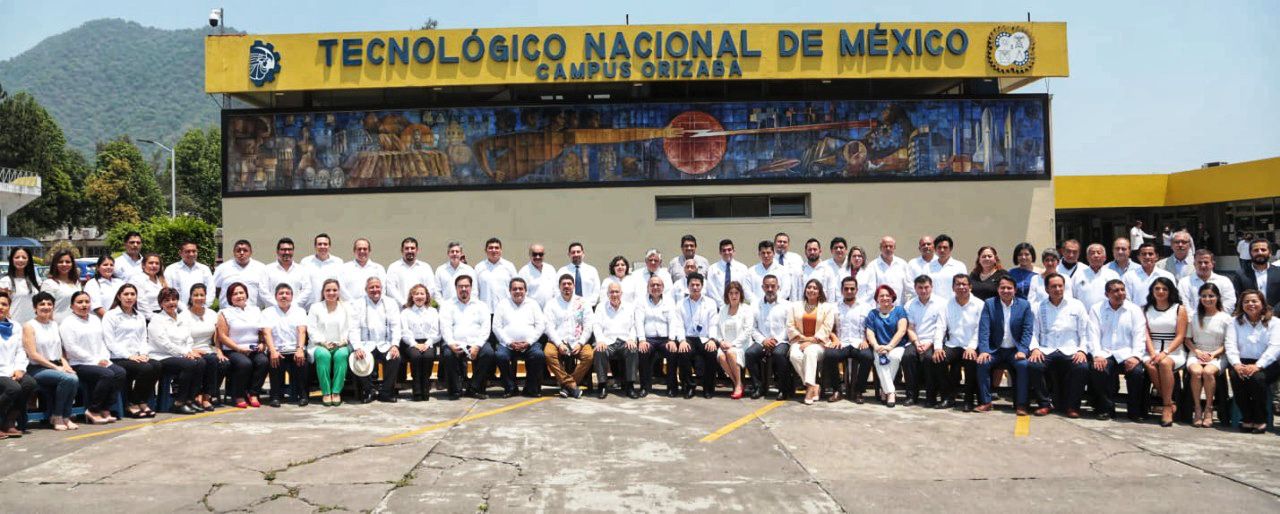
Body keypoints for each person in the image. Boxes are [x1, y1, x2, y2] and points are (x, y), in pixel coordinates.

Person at [1028, 273, 1090, 418]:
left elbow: (1085, 332)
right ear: (1046, 289)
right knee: (1033, 365)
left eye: (1060, 286)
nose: (1057, 289)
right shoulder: (1038, 307)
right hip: (1046, 349)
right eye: (1053, 286)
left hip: (1071, 349)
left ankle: (1072, 406)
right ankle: (1044, 404)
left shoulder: (1076, 305)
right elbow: (1033, 332)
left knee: (1081, 367)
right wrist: (1035, 349)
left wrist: (1082, 350)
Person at [1087, 280, 1149, 421]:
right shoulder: (1096, 309)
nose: (1120, 293)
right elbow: (1093, 334)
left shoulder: (1134, 310)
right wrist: (1097, 355)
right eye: (1116, 290)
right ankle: (1106, 409)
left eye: (1122, 289)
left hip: (1128, 353)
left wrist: (1136, 356)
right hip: (1105, 352)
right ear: (1107, 294)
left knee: (1137, 373)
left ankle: (1134, 411)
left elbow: (1139, 335)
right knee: (1098, 369)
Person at [61, 291, 125, 424]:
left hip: (100, 360)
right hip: (79, 363)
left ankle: (105, 408)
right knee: (107, 374)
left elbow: (102, 342)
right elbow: (71, 348)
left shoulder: (95, 319)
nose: (84, 305)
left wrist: (104, 358)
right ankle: (93, 410)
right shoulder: (67, 323)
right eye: (80, 302)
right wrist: (95, 361)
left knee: (120, 372)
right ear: (72, 306)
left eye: (87, 302)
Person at [975, 276, 1035, 414]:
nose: (1006, 290)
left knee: (1023, 365)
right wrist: (984, 350)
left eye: (1009, 288)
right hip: (995, 350)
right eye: (1003, 288)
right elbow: (984, 329)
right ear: (998, 289)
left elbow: (1027, 330)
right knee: (982, 363)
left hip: (1015, 350)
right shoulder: (990, 304)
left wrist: (1023, 350)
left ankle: (1021, 404)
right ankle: (986, 402)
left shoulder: (1024, 305)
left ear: (1015, 290)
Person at [23, 292, 80, 429]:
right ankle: (57, 415)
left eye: (49, 304)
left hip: (55, 365)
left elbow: (59, 352)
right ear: (35, 307)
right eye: (42, 304)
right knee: (68, 379)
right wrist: (56, 368)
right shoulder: (29, 326)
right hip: (37, 368)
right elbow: (33, 354)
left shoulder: (54, 324)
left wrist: (66, 365)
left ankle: (66, 416)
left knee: (73, 376)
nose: (46, 307)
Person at [1226, 289, 1280, 434]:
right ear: (1241, 304)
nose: (1250, 304)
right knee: (1236, 377)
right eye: (1246, 302)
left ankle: (1260, 419)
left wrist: (1258, 366)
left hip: (1268, 363)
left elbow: (1275, 347)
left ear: (1262, 303)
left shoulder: (1275, 322)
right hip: (1242, 362)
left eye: (1254, 301)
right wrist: (1236, 364)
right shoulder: (1234, 322)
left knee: (1257, 379)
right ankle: (1247, 418)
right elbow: (1230, 345)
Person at [147, 287, 208, 414]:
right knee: (189, 364)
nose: (171, 303)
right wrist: (185, 353)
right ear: (161, 303)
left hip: (180, 355)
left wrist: (189, 351)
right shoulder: (156, 320)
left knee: (201, 362)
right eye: (167, 300)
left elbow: (188, 339)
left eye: (174, 299)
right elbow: (164, 344)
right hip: (161, 356)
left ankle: (190, 400)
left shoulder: (181, 318)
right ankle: (179, 402)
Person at [103, 284, 159, 418]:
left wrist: (144, 354)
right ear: (119, 296)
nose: (129, 297)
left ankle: (140, 400)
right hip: (118, 357)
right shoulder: (111, 315)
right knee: (145, 368)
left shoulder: (139, 316)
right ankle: (131, 403)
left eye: (132, 294)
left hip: (137, 356)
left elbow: (143, 339)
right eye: (126, 294)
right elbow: (110, 342)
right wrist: (129, 356)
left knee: (157, 365)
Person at [215, 282, 269, 409]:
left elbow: (261, 331)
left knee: (263, 361)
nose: (239, 296)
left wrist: (263, 343)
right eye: (235, 294)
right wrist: (238, 348)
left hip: (253, 348)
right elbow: (222, 336)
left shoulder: (255, 310)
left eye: (241, 292)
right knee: (245, 364)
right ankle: (238, 395)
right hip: (233, 349)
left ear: (246, 294)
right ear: (230, 297)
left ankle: (253, 393)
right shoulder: (225, 312)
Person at [1143, 277, 1188, 426]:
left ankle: (1166, 407)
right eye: (1157, 288)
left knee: (1164, 363)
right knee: (1150, 365)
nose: (1160, 291)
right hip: (1152, 349)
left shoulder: (1179, 309)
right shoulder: (1146, 309)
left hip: (1174, 350)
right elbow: (1146, 335)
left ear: (1170, 291)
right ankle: (1168, 400)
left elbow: (1181, 336)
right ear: (1152, 291)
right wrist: (1152, 353)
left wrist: (1165, 352)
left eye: (1164, 289)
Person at [440, 275, 494, 399]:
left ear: (471, 287)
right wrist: (451, 343)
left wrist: (478, 345)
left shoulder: (481, 305)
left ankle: (474, 388)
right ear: (456, 288)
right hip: (455, 343)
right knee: (448, 354)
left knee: (488, 353)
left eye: (466, 286)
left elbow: (485, 328)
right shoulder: (447, 305)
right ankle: (455, 390)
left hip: (476, 342)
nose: (464, 289)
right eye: (460, 286)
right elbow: (445, 327)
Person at [349, 277, 402, 403]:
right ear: (366, 289)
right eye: (371, 287)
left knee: (395, 358)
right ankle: (369, 391)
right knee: (358, 358)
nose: (375, 290)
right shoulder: (358, 304)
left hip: (386, 344)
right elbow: (353, 328)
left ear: (381, 288)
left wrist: (395, 345)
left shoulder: (391, 303)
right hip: (365, 345)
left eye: (377, 287)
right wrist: (357, 347)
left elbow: (396, 327)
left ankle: (386, 392)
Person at [494, 278, 548, 398]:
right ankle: (510, 387)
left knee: (538, 355)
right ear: (509, 291)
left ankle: (530, 388)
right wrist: (509, 342)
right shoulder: (502, 304)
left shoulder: (533, 304)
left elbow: (540, 325)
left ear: (525, 290)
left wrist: (529, 342)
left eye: (520, 288)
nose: (518, 291)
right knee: (500, 356)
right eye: (514, 289)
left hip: (530, 344)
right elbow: (496, 327)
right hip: (507, 345)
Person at [543, 274, 595, 399]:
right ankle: (571, 385)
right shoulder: (551, 304)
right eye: (564, 284)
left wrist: (581, 343)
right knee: (548, 353)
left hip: (578, 341)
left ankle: (567, 386)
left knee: (589, 355)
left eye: (569, 284)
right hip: (557, 341)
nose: (566, 286)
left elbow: (588, 325)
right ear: (559, 286)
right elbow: (548, 327)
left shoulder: (583, 303)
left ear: (574, 286)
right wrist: (559, 344)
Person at [1186, 283, 1230, 428]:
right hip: (1197, 351)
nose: (1207, 299)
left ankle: (1209, 409)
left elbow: (1229, 343)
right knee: (1197, 372)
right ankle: (1197, 408)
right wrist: (1197, 351)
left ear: (1217, 297)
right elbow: (1187, 339)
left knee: (1208, 372)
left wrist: (1213, 354)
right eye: (1204, 296)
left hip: (1218, 353)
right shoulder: (1194, 316)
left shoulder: (1225, 318)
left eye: (1211, 296)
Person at [261, 283, 309, 407]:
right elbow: (266, 333)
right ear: (275, 296)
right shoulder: (267, 312)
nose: (284, 296)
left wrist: (300, 349)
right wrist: (272, 351)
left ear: (292, 296)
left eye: (287, 293)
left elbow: (302, 331)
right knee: (274, 361)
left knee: (302, 361)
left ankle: (303, 396)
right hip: (277, 350)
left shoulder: (299, 311)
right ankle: (275, 397)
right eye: (281, 293)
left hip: (295, 349)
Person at [591, 282, 641, 399]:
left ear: (621, 293)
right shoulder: (601, 307)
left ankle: (630, 386)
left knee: (633, 350)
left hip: (624, 341)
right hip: (607, 342)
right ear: (607, 294)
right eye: (612, 292)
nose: (614, 294)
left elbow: (633, 326)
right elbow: (596, 325)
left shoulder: (629, 307)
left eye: (617, 292)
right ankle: (602, 386)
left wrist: (631, 339)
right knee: (599, 351)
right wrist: (600, 341)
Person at [939, 274, 982, 411]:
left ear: (970, 287)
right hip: (953, 344)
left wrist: (971, 347)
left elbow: (980, 329)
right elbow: (940, 327)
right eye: (958, 284)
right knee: (938, 359)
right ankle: (947, 397)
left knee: (970, 361)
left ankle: (968, 400)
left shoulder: (980, 304)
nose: (961, 287)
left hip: (971, 345)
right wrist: (938, 347)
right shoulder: (946, 304)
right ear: (953, 287)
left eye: (964, 284)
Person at [307, 279, 353, 406]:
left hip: (342, 344)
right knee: (323, 355)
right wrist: (323, 343)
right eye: (328, 290)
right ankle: (326, 392)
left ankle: (336, 391)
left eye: (334, 290)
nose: (331, 293)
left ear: (339, 292)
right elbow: (311, 329)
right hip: (319, 344)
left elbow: (351, 327)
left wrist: (343, 342)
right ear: (323, 292)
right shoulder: (315, 307)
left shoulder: (346, 307)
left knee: (341, 355)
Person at [788, 279, 834, 405]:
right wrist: (803, 338)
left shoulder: (827, 308)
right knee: (794, 356)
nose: (811, 290)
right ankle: (813, 386)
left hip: (819, 343)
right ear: (805, 290)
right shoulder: (795, 306)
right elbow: (790, 326)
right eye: (809, 287)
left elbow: (827, 328)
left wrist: (812, 341)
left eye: (815, 288)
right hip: (799, 340)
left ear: (819, 292)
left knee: (810, 352)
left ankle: (808, 390)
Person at [903, 275, 945, 407]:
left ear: (932, 287)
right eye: (920, 288)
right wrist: (916, 343)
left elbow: (941, 327)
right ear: (915, 288)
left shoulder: (941, 303)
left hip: (934, 341)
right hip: (915, 340)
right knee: (908, 356)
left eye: (926, 287)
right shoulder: (909, 304)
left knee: (929, 358)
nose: (923, 290)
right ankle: (911, 396)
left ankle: (931, 397)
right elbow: (910, 327)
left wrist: (930, 343)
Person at [680, 273, 723, 398]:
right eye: (692, 285)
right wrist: (682, 340)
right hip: (688, 338)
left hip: (705, 338)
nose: (695, 287)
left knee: (711, 352)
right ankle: (689, 386)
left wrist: (712, 340)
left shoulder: (710, 303)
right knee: (683, 352)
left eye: (697, 285)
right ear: (688, 286)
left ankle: (708, 387)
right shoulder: (681, 304)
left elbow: (713, 324)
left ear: (702, 286)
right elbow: (678, 325)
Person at [829, 276, 872, 403]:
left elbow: (871, 327)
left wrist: (866, 340)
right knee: (829, 355)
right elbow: (828, 328)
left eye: (852, 289)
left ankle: (858, 391)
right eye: (846, 289)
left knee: (868, 357)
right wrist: (835, 339)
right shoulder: (834, 307)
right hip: (841, 343)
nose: (849, 291)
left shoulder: (866, 307)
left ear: (857, 290)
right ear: (841, 290)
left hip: (859, 343)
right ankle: (837, 390)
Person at [865, 284, 909, 407]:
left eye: (887, 295)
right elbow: (870, 332)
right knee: (880, 359)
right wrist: (876, 346)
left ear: (892, 297)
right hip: (879, 347)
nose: (885, 298)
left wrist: (890, 346)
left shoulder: (899, 310)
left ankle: (885, 390)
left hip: (897, 346)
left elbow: (902, 330)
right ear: (877, 299)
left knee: (894, 357)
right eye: (881, 296)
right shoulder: (873, 313)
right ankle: (890, 392)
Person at [643, 274, 686, 398]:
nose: (655, 287)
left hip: (665, 339)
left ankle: (672, 387)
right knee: (642, 351)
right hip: (648, 339)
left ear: (663, 287)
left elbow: (673, 322)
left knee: (672, 351)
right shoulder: (641, 301)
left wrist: (672, 340)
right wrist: (641, 340)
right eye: (652, 285)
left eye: (658, 285)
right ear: (648, 287)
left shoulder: (669, 301)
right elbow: (639, 322)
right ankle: (645, 387)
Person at [0, 291, 36, 437]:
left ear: (9, 307)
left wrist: (19, 369)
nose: (1, 307)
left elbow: (21, 350)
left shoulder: (15, 326)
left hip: (12, 369)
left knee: (29, 383)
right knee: (13, 388)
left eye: (4, 304)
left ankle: (9, 421)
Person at [181, 284, 220, 410]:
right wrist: (192, 350)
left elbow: (217, 336)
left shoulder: (212, 314)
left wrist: (219, 350)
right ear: (190, 297)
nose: (199, 298)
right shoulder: (184, 315)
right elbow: (181, 338)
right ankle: (196, 395)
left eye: (202, 295)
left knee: (219, 361)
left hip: (208, 349)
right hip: (190, 350)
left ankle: (206, 397)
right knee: (204, 361)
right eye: (196, 295)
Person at [400, 284, 441, 401]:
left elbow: (436, 331)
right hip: (411, 342)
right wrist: (414, 344)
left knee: (428, 356)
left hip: (429, 342)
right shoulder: (405, 312)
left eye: (422, 293)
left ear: (426, 296)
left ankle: (426, 389)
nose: (419, 296)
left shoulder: (433, 311)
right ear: (412, 296)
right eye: (416, 294)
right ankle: (417, 390)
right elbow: (404, 332)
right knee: (416, 356)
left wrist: (428, 343)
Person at [755, 275, 793, 400]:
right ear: (762, 287)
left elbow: (789, 326)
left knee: (779, 354)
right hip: (762, 340)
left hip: (782, 340)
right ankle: (759, 387)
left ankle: (783, 389)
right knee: (750, 353)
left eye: (773, 286)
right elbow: (752, 327)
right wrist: (763, 340)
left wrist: (776, 340)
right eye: (767, 286)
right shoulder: (756, 305)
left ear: (778, 287)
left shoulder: (787, 305)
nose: (770, 289)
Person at [717, 281, 757, 400]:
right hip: (725, 344)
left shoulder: (746, 309)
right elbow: (718, 329)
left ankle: (738, 384)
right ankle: (737, 383)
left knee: (731, 352)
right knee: (721, 356)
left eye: (736, 293)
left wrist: (733, 344)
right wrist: (721, 341)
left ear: (741, 294)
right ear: (727, 295)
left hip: (741, 344)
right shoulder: (723, 309)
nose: (734, 296)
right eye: (731, 293)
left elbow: (747, 331)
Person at [1178, 249, 1237, 316]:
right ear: (1194, 264)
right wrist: (1198, 319)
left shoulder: (1224, 281)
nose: (1203, 265)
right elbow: (1184, 306)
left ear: (1213, 264)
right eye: (1199, 262)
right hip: (1192, 321)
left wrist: (1216, 318)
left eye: (1206, 262)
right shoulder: (1184, 283)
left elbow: (1229, 304)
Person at [214, 240, 269, 308]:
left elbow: (266, 290)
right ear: (234, 252)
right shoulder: (222, 268)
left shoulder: (261, 268)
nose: (242, 253)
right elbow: (215, 288)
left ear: (251, 252)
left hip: (253, 311)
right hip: (228, 310)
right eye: (238, 250)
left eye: (245, 250)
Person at [261, 238, 312, 310]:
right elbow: (263, 291)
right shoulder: (267, 269)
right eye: (283, 250)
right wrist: (278, 305)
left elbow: (307, 290)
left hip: (295, 310)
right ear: (277, 251)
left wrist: (293, 305)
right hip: (273, 311)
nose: (287, 252)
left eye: (289, 249)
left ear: (293, 251)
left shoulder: (302, 270)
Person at [385, 237, 437, 308]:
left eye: (412, 248)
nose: (410, 251)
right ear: (402, 250)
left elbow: (431, 288)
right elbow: (390, 289)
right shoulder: (394, 267)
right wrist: (404, 304)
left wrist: (420, 303)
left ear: (417, 250)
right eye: (406, 248)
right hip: (400, 310)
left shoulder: (425, 267)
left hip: (422, 309)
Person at [1122, 244, 1175, 309]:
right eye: (1144, 254)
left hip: (1162, 314)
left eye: (1150, 254)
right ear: (1138, 257)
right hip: (1137, 314)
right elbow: (1126, 300)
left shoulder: (1167, 276)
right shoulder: (1129, 276)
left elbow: (1172, 298)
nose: (1147, 257)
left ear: (1157, 257)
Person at [1233, 239, 1280, 313]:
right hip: (1250, 316)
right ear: (1250, 253)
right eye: (1256, 250)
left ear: (1270, 253)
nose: (1259, 252)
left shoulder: (1278, 272)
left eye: (1263, 250)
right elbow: (1238, 297)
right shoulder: (1241, 274)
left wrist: (1272, 312)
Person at [300, 233, 344, 310]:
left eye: (325, 244)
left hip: (331, 308)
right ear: (315, 246)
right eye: (319, 244)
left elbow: (342, 286)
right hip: (309, 308)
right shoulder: (305, 262)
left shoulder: (338, 262)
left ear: (329, 246)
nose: (322, 246)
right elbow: (301, 286)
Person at [163, 242, 214, 308]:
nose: (191, 254)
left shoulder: (205, 269)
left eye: (194, 251)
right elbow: (168, 291)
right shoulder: (171, 269)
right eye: (187, 251)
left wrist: (203, 307)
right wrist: (184, 309)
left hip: (202, 309)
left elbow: (211, 291)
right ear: (180, 253)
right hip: (177, 310)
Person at [1072, 244, 1121, 310]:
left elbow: (1119, 295)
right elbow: (1073, 298)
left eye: (1099, 253)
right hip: (1084, 314)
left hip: (1108, 313)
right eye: (1092, 253)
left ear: (1105, 257)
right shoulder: (1078, 275)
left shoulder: (1113, 275)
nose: (1096, 255)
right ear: (1087, 258)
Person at [474, 237, 517, 312]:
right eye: (490, 248)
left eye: (496, 248)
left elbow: (516, 288)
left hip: (506, 310)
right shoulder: (479, 268)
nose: (494, 250)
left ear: (501, 250)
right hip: (485, 311)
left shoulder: (509, 266)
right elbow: (475, 291)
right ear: (485, 250)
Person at [706, 239, 752, 308]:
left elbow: (745, 289)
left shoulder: (743, 268)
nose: (727, 252)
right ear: (720, 252)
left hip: (738, 308)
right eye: (724, 250)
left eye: (729, 250)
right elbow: (711, 290)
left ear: (734, 251)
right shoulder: (712, 269)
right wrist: (722, 306)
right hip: (718, 308)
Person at [339, 238, 386, 304]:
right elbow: (341, 288)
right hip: (349, 306)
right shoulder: (344, 268)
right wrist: (353, 303)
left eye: (365, 249)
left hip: (373, 307)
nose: (362, 251)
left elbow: (383, 289)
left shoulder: (379, 268)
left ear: (369, 251)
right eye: (359, 249)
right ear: (354, 251)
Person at [1, 247, 41, 324]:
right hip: (14, 325)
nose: (20, 260)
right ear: (12, 260)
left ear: (28, 260)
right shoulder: (5, 282)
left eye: (24, 257)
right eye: (17, 257)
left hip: (33, 325)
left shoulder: (36, 280)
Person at [40, 249, 81, 322]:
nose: (64, 264)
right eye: (60, 262)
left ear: (72, 264)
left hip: (75, 324)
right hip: (57, 325)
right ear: (55, 264)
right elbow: (45, 310)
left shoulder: (76, 283)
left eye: (67, 262)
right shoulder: (49, 284)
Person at [926, 235, 969, 304]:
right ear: (935, 249)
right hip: (933, 305)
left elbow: (964, 287)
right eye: (939, 247)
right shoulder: (928, 267)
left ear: (951, 249)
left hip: (954, 304)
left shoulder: (959, 266)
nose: (942, 250)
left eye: (945, 247)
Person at [557, 242, 600, 308]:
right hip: (567, 308)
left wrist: (586, 305)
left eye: (578, 252)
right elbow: (556, 290)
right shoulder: (562, 271)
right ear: (569, 254)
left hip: (589, 308)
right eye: (573, 252)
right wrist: (565, 303)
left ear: (583, 253)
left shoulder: (592, 270)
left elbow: (596, 290)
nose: (576, 254)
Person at [872, 236, 912, 306]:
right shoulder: (873, 266)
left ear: (894, 248)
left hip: (899, 308)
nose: (888, 248)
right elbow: (871, 291)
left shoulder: (902, 264)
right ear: (880, 248)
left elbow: (909, 287)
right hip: (880, 309)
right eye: (885, 246)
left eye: (891, 246)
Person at [128, 254, 167, 321]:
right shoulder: (137, 280)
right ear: (143, 265)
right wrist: (155, 319)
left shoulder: (162, 280)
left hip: (163, 314)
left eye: (157, 263)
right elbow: (141, 303)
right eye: (151, 263)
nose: (154, 265)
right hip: (146, 318)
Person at [796, 239, 833, 304]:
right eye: (809, 250)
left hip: (823, 307)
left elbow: (831, 292)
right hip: (804, 307)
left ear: (820, 251)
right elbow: (796, 291)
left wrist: (830, 307)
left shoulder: (828, 269)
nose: (812, 252)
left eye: (815, 249)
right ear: (805, 252)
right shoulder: (800, 270)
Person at [819, 238, 853, 305]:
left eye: (841, 247)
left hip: (849, 305)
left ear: (846, 250)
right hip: (829, 304)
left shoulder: (853, 264)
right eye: (836, 248)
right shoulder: (824, 266)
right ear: (831, 251)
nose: (838, 250)